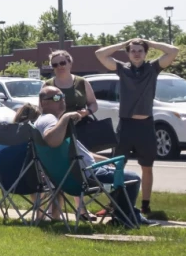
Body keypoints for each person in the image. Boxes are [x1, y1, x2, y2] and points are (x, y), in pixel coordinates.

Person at [34, 87, 145, 227]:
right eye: (56, 98)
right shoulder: (48, 119)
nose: (62, 100)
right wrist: (66, 117)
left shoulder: (50, 121)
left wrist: (105, 160)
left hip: (73, 176)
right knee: (132, 178)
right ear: (44, 103)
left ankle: (129, 216)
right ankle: (126, 219)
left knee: (119, 173)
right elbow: (52, 140)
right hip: (85, 176)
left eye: (62, 96)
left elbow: (77, 152)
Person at [95, 36, 179, 216]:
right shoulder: (122, 69)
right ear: (128, 53)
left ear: (146, 52)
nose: (136, 54)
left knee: (147, 166)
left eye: (140, 50)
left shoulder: (153, 68)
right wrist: (123, 44)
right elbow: (99, 54)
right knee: (117, 166)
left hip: (146, 125)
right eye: (132, 50)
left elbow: (174, 52)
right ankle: (114, 205)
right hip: (126, 124)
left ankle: (145, 206)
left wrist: (149, 41)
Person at [45, 50, 96, 116]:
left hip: (82, 124)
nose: (59, 66)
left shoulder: (82, 82)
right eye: (55, 65)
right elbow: (41, 108)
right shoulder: (47, 85)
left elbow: (93, 104)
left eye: (62, 63)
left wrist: (87, 111)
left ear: (70, 63)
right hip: (56, 124)